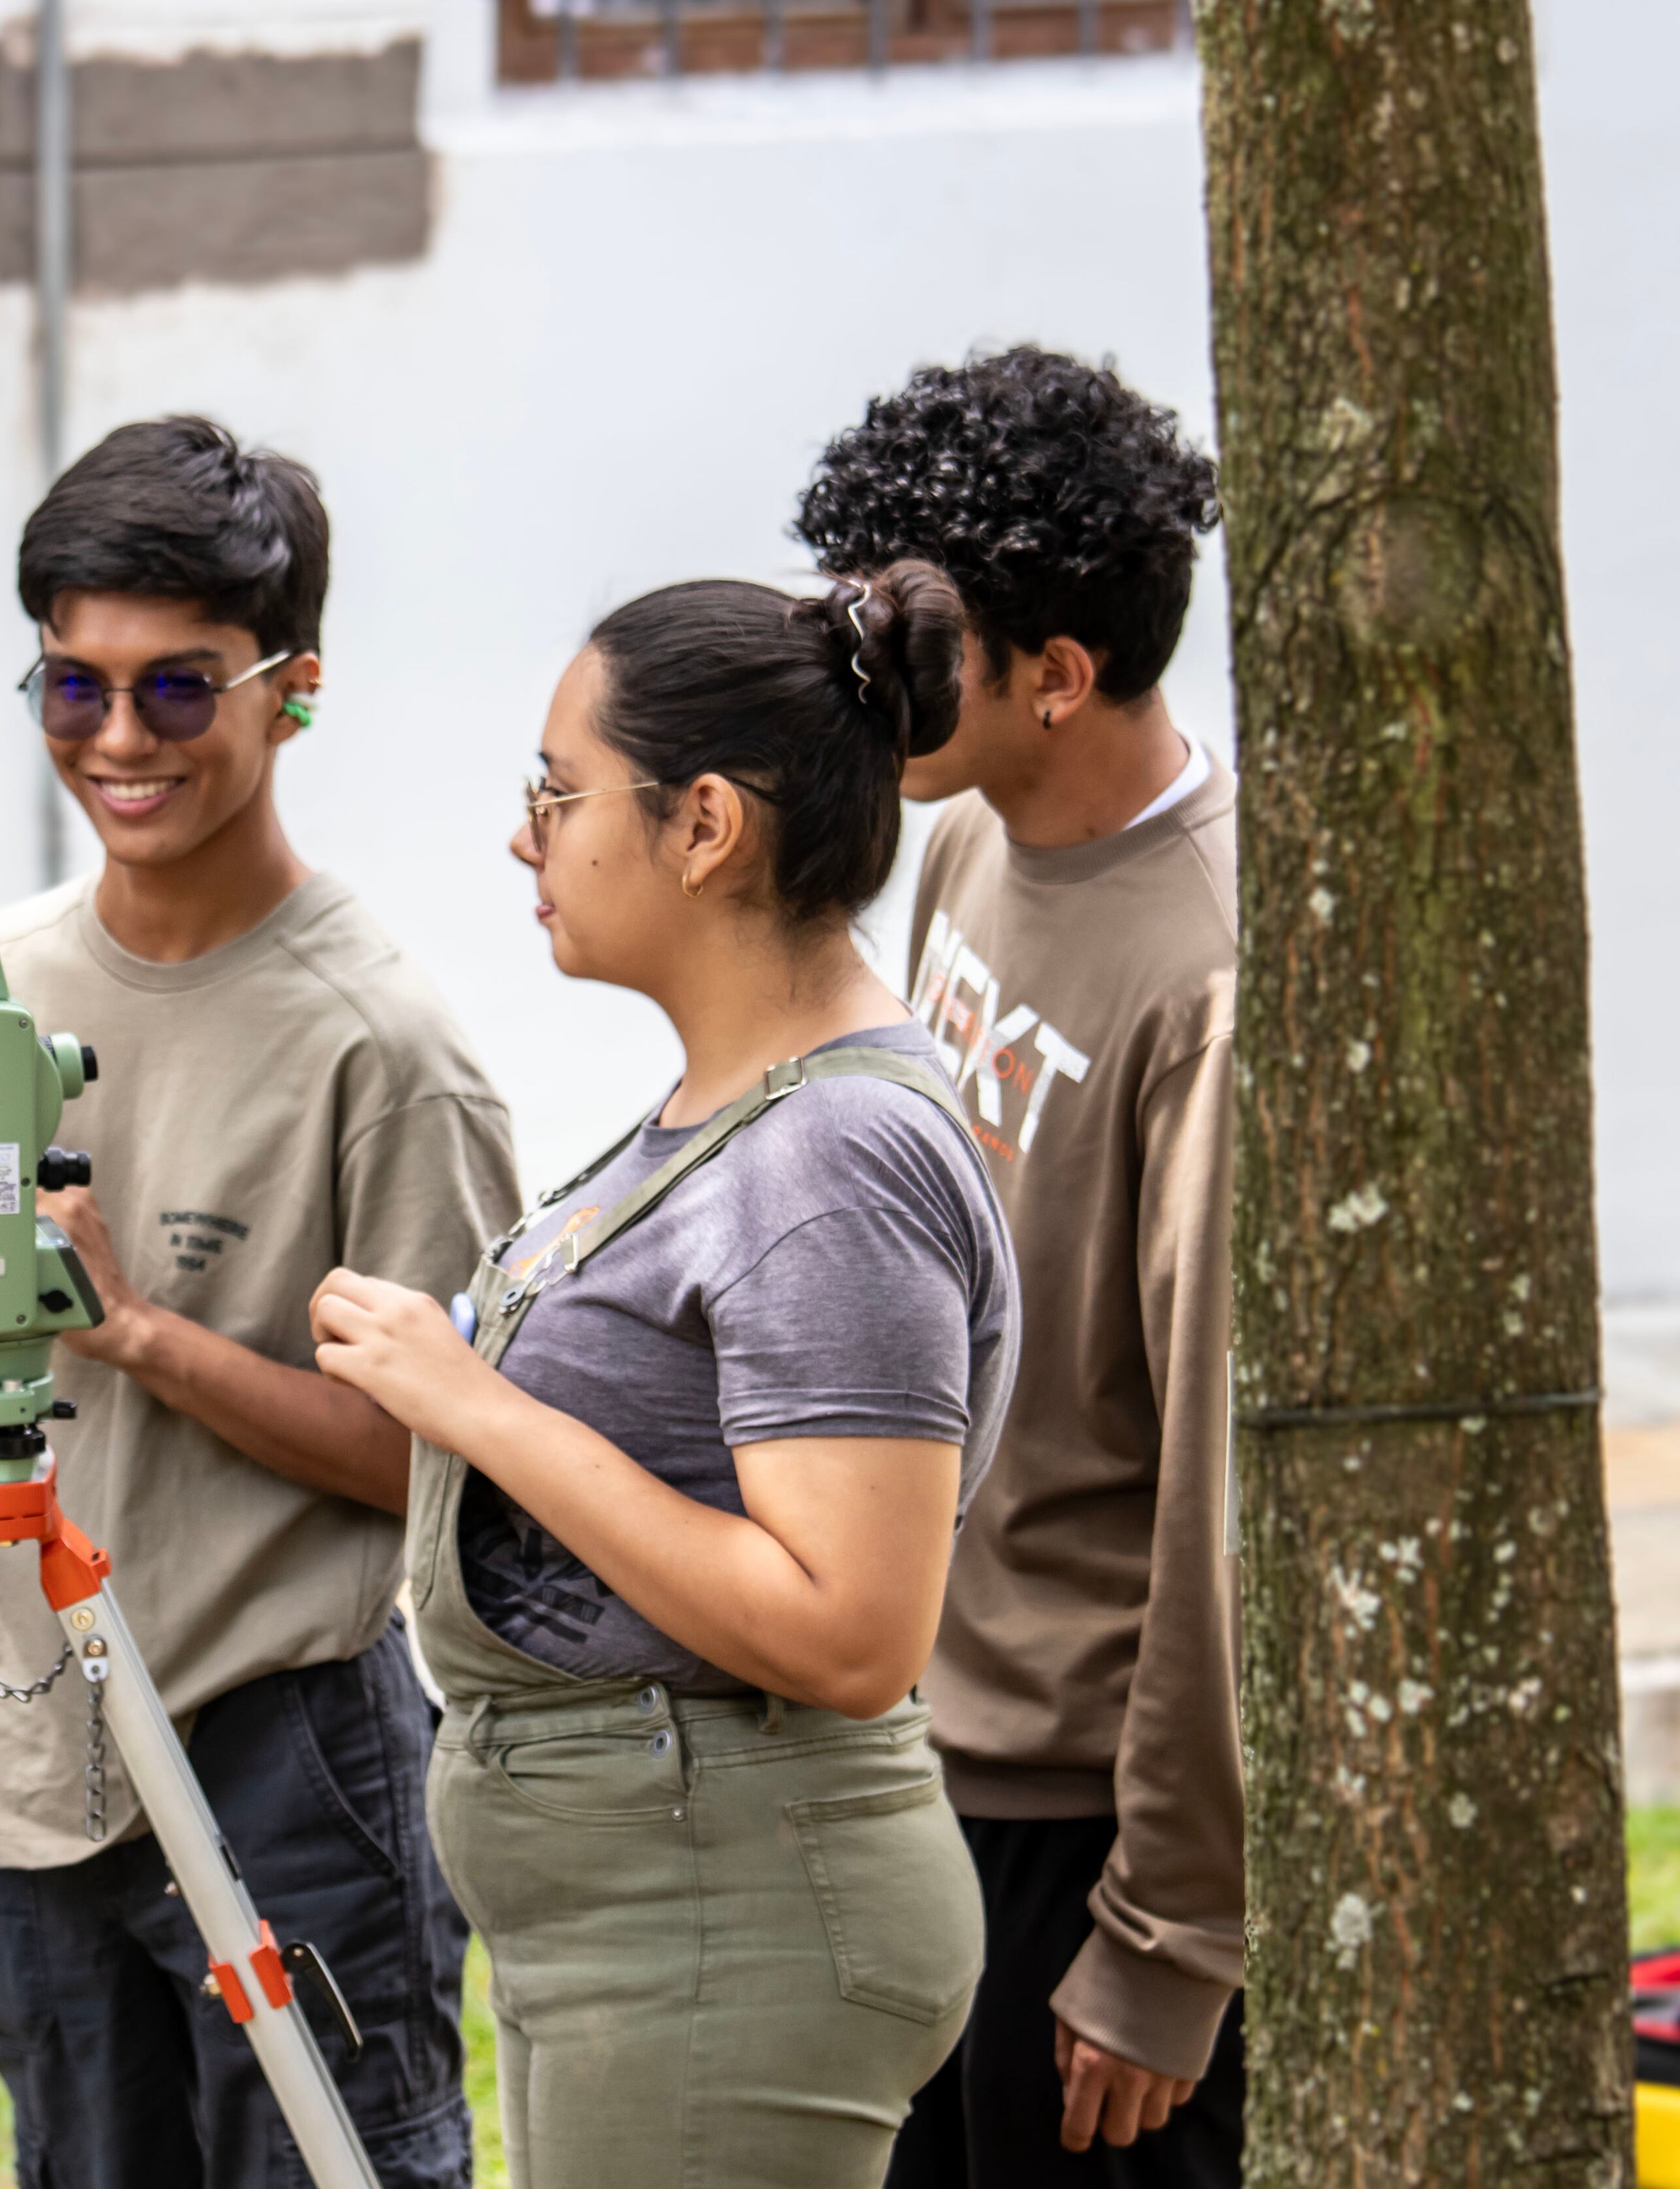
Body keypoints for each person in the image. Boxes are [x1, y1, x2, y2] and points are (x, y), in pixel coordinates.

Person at [309, 564, 1021, 2188]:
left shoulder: (832, 1156)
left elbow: (850, 1624)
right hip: (662, 1911)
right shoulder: (748, 1108)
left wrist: (478, 1404)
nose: (524, 837)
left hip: (730, 1917)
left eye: (556, 795)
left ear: (705, 825)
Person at [0, 416, 515, 2189]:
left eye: (177, 691)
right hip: (15, 1723)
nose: (117, 739)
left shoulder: (383, 1046)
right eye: (71, 686)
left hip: (280, 1744)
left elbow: (450, 1471)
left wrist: (141, 1333)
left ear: (291, 689)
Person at [795, 349, 1244, 2184]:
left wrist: (1164, 1938)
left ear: (1058, 675)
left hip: (1077, 1819)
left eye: (909, 627)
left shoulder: (1216, 976)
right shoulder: (964, 823)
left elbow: (1226, 1506)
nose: (859, 658)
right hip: (918, 1741)